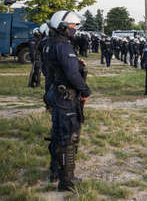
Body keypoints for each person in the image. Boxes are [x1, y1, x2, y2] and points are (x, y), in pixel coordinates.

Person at [44, 10, 91, 191]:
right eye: (72, 26)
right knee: (68, 139)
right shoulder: (63, 45)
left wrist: (75, 63)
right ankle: (66, 182)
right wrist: (85, 90)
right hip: (66, 98)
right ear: (62, 27)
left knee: (57, 135)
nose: (75, 28)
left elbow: (54, 69)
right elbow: (71, 74)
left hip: (55, 93)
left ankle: (55, 171)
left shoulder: (50, 43)